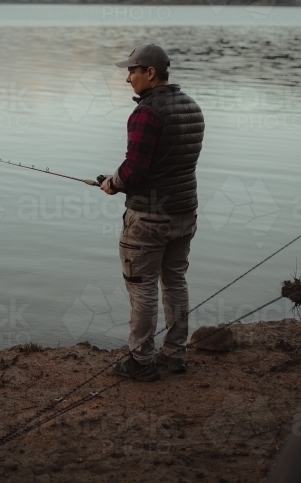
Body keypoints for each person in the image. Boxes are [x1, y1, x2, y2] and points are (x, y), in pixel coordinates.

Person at [99, 44, 204, 382]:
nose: (128, 77)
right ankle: (175, 354)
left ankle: (141, 361)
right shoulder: (192, 106)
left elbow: (136, 171)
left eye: (132, 70)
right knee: (175, 281)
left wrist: (113, 183)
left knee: (142, 286)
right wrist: (120, 179)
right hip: (184, 212)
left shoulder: (146, 113)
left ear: (150, 73)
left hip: (149, 218)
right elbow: (171, 164)